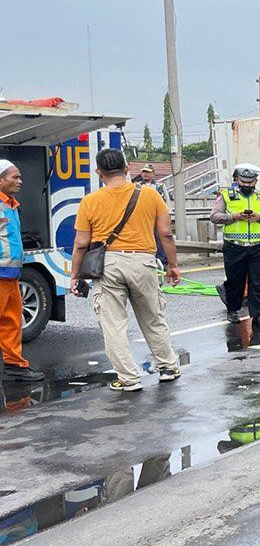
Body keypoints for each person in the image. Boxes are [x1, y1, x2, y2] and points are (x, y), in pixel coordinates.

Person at [69, 149, 182, 392]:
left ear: (99, 173)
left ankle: (129, 378)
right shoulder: (150, 196)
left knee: (113, 325)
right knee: (153, 318)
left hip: (107, 265)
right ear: (127, 169)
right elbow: (166, 234)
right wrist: (173, 265)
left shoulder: (90, 201)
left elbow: (80, 244)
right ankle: (167, 367)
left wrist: (75, 275)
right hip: (143, 262)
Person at [211, 164, 260, 330]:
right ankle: (233, 310)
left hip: (258, 247)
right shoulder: (226, 196)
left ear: (256, 180)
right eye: (244, 181)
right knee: (235, 282)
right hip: (235, 247)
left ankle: (259, 317)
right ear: (237, 179)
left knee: (258, 283)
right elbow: (214, 216)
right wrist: (234, 216)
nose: (248, 185)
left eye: (251, 182)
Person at [0, 160, 45, 382]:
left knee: (12, 321)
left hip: (10, 275)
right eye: (14, 177)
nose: (20, 181)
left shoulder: (11, 205)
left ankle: (14, 365)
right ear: (0, 180)